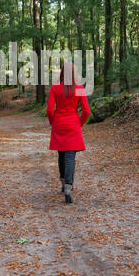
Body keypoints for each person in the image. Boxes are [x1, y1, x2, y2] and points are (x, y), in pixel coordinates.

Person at [46, 62, 91, 204]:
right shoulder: (79, 88)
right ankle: (68, 186)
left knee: (61, 154)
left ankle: (63, 181)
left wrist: (53, 122)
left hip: (59, 124)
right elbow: (86, 111)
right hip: (73, 125)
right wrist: (79, 123)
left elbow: (49, 110)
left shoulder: (55, 88)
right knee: (70, 157)